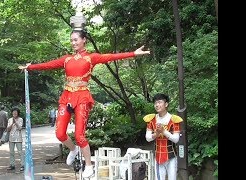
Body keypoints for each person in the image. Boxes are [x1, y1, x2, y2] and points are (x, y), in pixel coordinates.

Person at [18, 29, 150, 178]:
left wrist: (133, 53)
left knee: (80, 135)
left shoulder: (91, 58)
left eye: (76, 40)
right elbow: (49, 65)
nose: (73, 43)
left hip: (82, 97)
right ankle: (73, 150)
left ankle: (89, 165)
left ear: (83, 40)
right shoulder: (66, 59)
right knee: (59, 133)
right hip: (67, 96)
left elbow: (111, 57)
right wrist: (30, 67)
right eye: (72, 40)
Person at [143, 93, 183, 180]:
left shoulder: (173, 119)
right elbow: (148, 138)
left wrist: (164, 131)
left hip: (171, 156)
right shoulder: (151, 119)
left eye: (160, 102)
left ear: (166, 104)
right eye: (155, 103)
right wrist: (156, 134)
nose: (157, 105)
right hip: (158, 157)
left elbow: (176, 139)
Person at [6, 107, 24, 172]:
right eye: (13, 113)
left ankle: (22, 165)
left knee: (20, 152)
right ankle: (12, 165)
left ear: (18, 113)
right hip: (11, 138)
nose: (14, 114)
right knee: (11, 152)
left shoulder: (20, 119)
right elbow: (7, 129)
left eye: (16, 113)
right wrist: (12, 124)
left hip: (18, 138)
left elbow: (20, 128)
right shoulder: (10, 119)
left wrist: (15, 122)